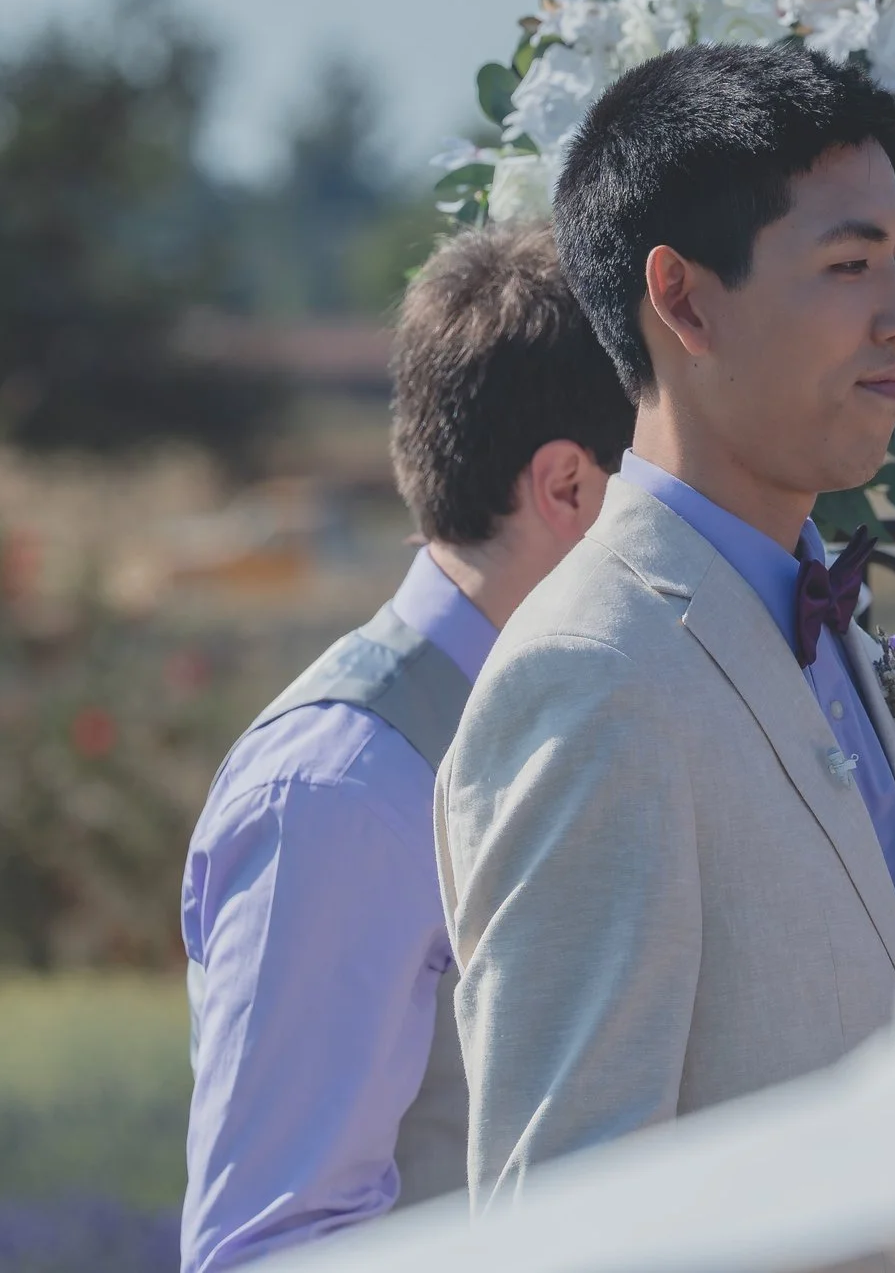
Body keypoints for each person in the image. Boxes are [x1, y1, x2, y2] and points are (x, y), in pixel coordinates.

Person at [437, 41, 895, 1206]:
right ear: (680, 297)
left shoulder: (831, 619)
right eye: (848, 262)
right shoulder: (593, 674)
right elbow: (567, 1213)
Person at [178, 225, 634, 1272]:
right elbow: (274, 1245)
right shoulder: (344, 789)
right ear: (567, 486)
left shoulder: (579, 715)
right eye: (658, 490)